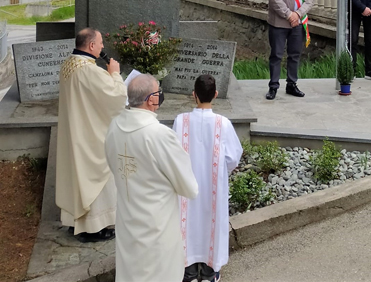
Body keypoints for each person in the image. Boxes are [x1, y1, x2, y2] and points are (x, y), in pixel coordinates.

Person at [105, 74, 199, 282]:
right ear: (151, 99)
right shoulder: (159, 135)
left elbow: (113, 166)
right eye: (158, 93)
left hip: (128, 220)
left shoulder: (113, 127)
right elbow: (189, 188)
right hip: (157, 225)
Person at [56, 27, 126, 242]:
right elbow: (115, 97)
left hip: (76, 130)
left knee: (77, 177)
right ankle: (95, 227)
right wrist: (114, 74)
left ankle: (75, 222)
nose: (103, 46)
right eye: (101, 42)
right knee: (96, 177)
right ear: (92, 45)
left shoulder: (68, 64)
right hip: (90, 136)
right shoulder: (89, 70)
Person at [174, 74, 242, 282]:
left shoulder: (181, 121)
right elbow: (233, 156)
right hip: (214, 186)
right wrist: (220, 172)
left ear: (193, 95)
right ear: (216, 95)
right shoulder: (223, 123)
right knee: (211, 223)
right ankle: (210, 270)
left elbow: (174, 153)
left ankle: (189, 270)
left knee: (188, 222)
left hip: (187, 185)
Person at [266, 0, 316, 100]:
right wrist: (289, 15)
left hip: (298, 23)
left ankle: (291, 84)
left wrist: (298, 14)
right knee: (277, 55)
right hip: (279, 23)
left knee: (295, 55)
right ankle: (273, 86)